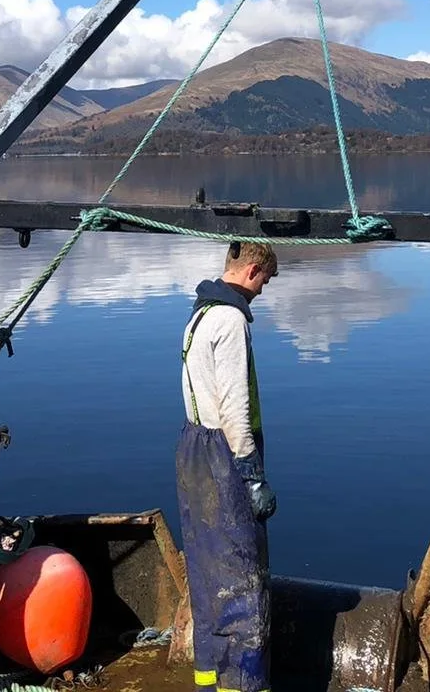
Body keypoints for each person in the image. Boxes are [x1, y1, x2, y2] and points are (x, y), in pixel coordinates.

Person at [175, 240, 279, 692]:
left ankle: (209, 678)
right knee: (243, 578)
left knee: (206, 572)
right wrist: (253, 475)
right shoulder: (232, 320)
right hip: (225, 456)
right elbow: (235, 408)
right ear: (253, 270)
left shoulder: (199, 314)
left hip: (192, 449)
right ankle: (245, 684)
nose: (263, 290)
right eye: (265, 281)